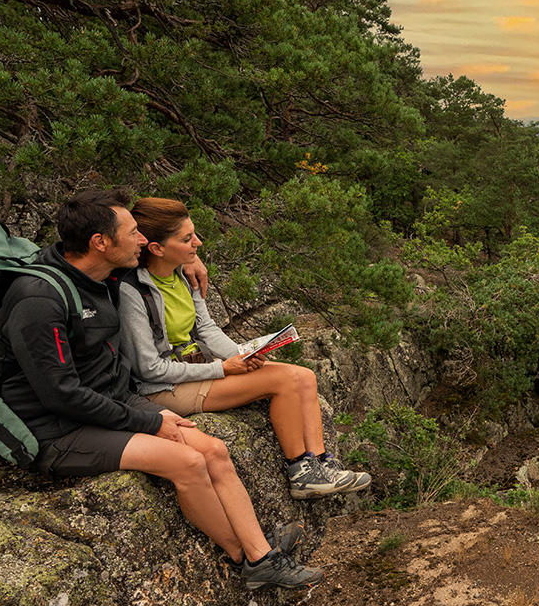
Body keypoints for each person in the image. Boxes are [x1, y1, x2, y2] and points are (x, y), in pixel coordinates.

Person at [0, 188, 321, 590]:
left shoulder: (100, 273)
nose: (142, 242)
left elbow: (164, 252)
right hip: (56, 429)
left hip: (109, 401)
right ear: (100, 242)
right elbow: (61, 394)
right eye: (134, 234)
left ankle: (260, 552)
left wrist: (192, 259)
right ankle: (250, 558)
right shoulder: (38, 300)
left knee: (214, 449)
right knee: (187, 462)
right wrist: (147, 420)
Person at [117, 197, 371, 500]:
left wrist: (243, 353)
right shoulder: (132, 291)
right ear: (156, 248)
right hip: (164, 387)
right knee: (282, 381)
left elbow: (207, 329)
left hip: (197, 371)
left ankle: (322, 465)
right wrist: (223, 368)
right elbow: (148, 368)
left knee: (303, 376)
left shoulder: (182, 275)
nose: (198, 242)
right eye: (187, 239)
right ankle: (301, 472)